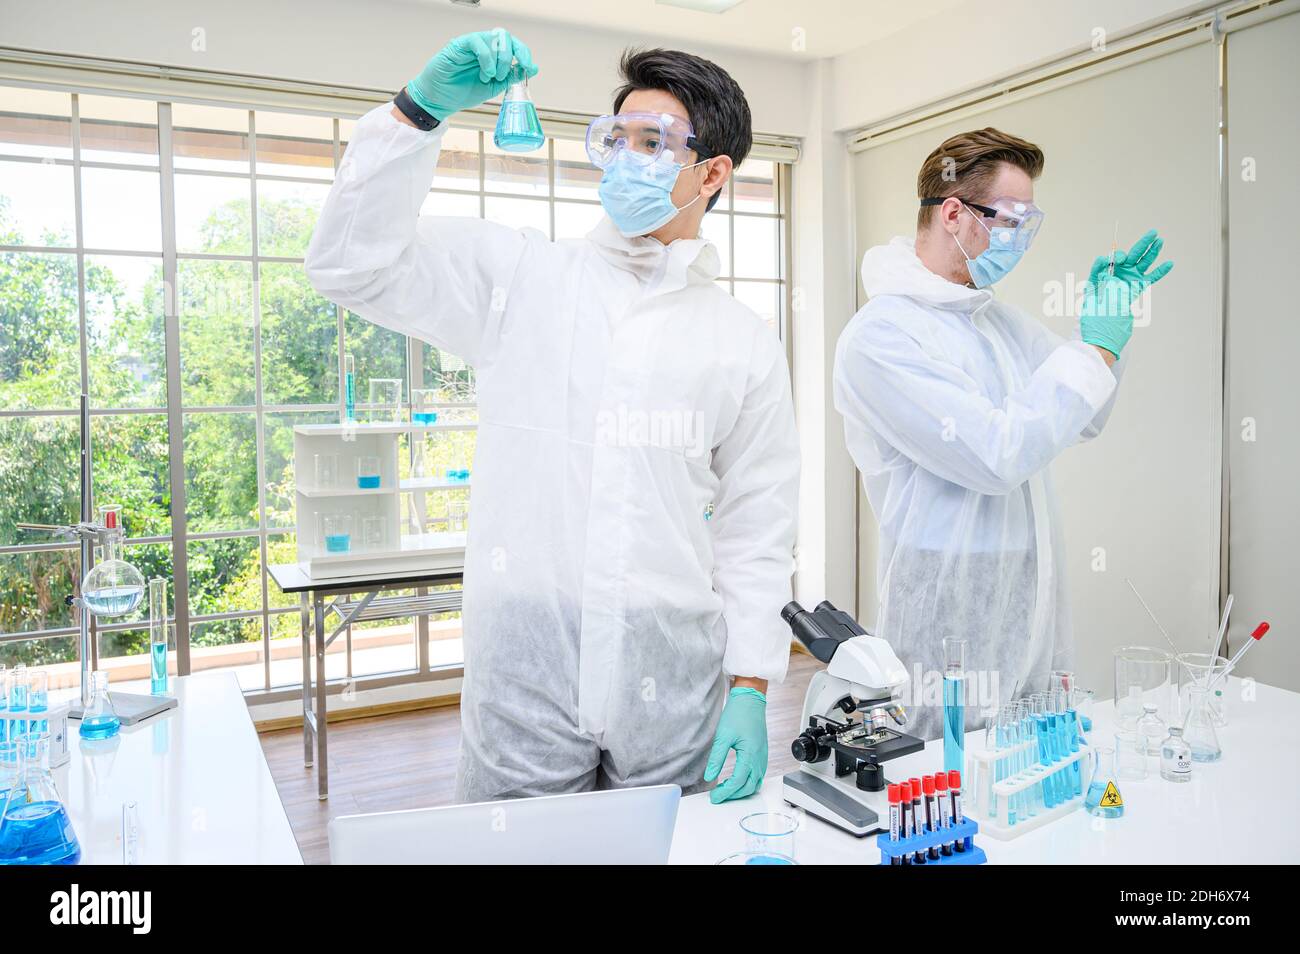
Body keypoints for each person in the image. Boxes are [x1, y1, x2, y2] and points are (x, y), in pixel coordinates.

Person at [306, 31, 798, 803]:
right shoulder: (521, 277)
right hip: (526, 671)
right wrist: (418, 111)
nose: (628, 159)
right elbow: (350, 266)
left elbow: (756, 530)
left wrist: (752, 683)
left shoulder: (743, 341)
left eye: (654, 141)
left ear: (713, 172)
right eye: (618, 139)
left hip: (672, 676)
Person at [832, 128, 1172, 739]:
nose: (1019, 238)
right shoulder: (882, 336)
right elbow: (996, 455)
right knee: (945, 779)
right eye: (1010, 219)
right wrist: (1091, 348)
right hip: (943, 594)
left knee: (1030, 771)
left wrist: (1107, 329)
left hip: (1028, 586)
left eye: (1028, 222)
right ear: (954, 212)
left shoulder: (996, 322)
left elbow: (1085, 415)